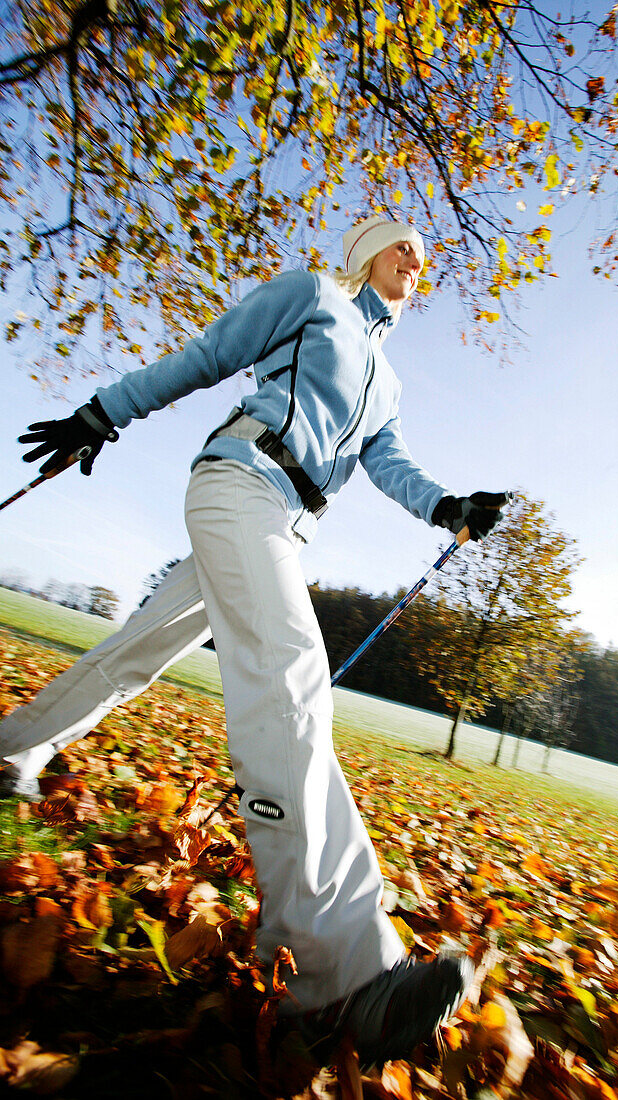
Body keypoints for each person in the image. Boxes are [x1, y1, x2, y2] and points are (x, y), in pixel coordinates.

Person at [1, 216, 508, 1065]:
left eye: (425, 254)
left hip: (282, 521)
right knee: (292, 676)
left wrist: (446, 507)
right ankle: (345, 970)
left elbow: (390, 462)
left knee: (137, 651)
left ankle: (14, 747)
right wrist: (102, 412)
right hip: (240, 481)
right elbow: (209, 353)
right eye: (403, 242)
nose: (418, 259)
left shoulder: (385, 380)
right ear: (366, 251)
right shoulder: (314, 295)